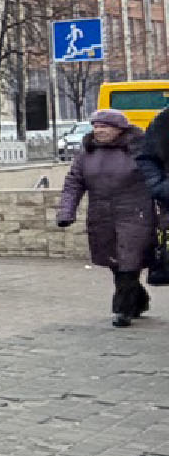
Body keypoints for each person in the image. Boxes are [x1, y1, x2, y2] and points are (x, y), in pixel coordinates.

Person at [58, 109, 155, 327]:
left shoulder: (140, 149)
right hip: (101, 215)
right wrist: (66, 211)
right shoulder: (87, 153)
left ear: (119, 129)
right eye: (96, 126)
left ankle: (122, 310)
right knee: (114, 261)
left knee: (129, 261)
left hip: (135, 213)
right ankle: (139, 299)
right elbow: (74, 182)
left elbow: (157, 179)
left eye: (104, 127)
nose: (98, 131)